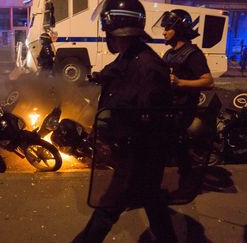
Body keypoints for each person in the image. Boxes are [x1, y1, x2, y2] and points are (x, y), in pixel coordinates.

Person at [72, 0, 177, 242]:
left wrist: (113, 132)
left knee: (107, 209)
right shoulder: (130, 55)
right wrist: (94, 78)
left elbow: (147, 120)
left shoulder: (148, 67)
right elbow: (114, 71)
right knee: (153, 203)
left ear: (114, 31)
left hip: (139, 155)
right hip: (135, 153)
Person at [158, 9, 214, 204]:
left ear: (179, 30)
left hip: (183, 110)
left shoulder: (193, 54)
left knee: (180, 148)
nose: (163, 32)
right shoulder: (168, 54)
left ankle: (187, 188)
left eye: (167, 28)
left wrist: (181, 83)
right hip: (169, 109)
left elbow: (208, 81)